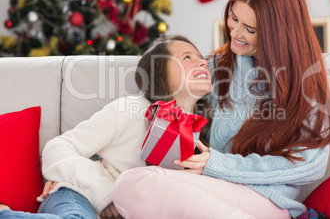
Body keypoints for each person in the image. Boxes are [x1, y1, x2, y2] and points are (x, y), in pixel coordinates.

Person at [111, 0, 330, 219]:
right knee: (130, 185)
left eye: (250, 29)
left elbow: (311, 165)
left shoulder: (305, 83)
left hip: (266, 201)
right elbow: (153, 107)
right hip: (209, 191)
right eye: (233, 17)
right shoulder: (211, 67)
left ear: (278, 35)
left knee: (130, 185)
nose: (235, 33)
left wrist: (216, 164)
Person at [0, 34, 212, 219]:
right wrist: (105, 193)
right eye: (187, 57)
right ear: (160, 74)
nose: (202, 62)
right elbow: (57, 148)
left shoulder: (202, 132)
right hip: (79, 196)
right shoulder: (130, 110)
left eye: (201, 58)